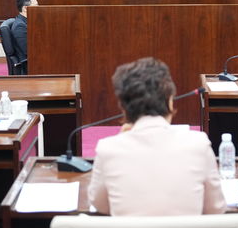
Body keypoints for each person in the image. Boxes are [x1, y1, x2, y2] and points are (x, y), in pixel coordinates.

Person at [88, 57, 226, 216]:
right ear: (170, 101)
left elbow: (100, 206)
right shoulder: (199, 143)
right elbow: (215, 208)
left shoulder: (108, 149)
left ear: (124, 108)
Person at [10, 0, 38, 72]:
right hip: (31, 65)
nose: (38, 8)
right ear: (26, 8)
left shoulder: (27, 22)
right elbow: (29, 51)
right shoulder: (20, 26)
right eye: (36, 6)